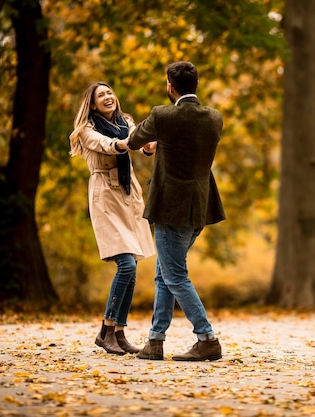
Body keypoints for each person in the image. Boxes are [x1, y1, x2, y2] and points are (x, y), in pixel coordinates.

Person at [128, 61, 225, 361]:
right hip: (200, 208)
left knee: (175, 276)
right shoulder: (214, 118)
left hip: (171, 209)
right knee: (165, 275)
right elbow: (187, 145)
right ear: (196, 84)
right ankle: (155, 341)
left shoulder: (162, 115)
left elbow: (134, 141)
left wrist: (149, 146)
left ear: (171, 86)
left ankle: (207, 338)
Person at [69, 82, 156, 355]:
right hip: (105, 195)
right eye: (101, 95)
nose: (108, 97)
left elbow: (138, 143)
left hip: (128, 194)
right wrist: (127, 143)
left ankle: (118, 332)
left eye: (109, 93)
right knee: (126, 265)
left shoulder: (125, 121)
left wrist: (148, 146)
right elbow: (108, 145)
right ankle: (106, 329)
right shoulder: (86, 130)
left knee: (133, 269)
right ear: (92, 104)